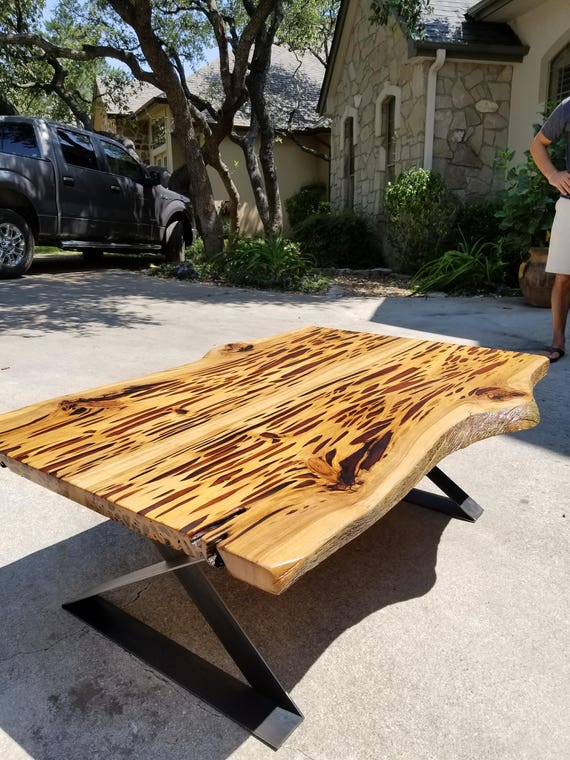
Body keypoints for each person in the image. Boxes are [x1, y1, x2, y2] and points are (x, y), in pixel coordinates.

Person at [530, 97, 570, 363]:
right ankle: (558, 339)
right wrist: (553, 175)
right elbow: (537, 146)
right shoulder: (569, 107)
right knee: (564, 276)